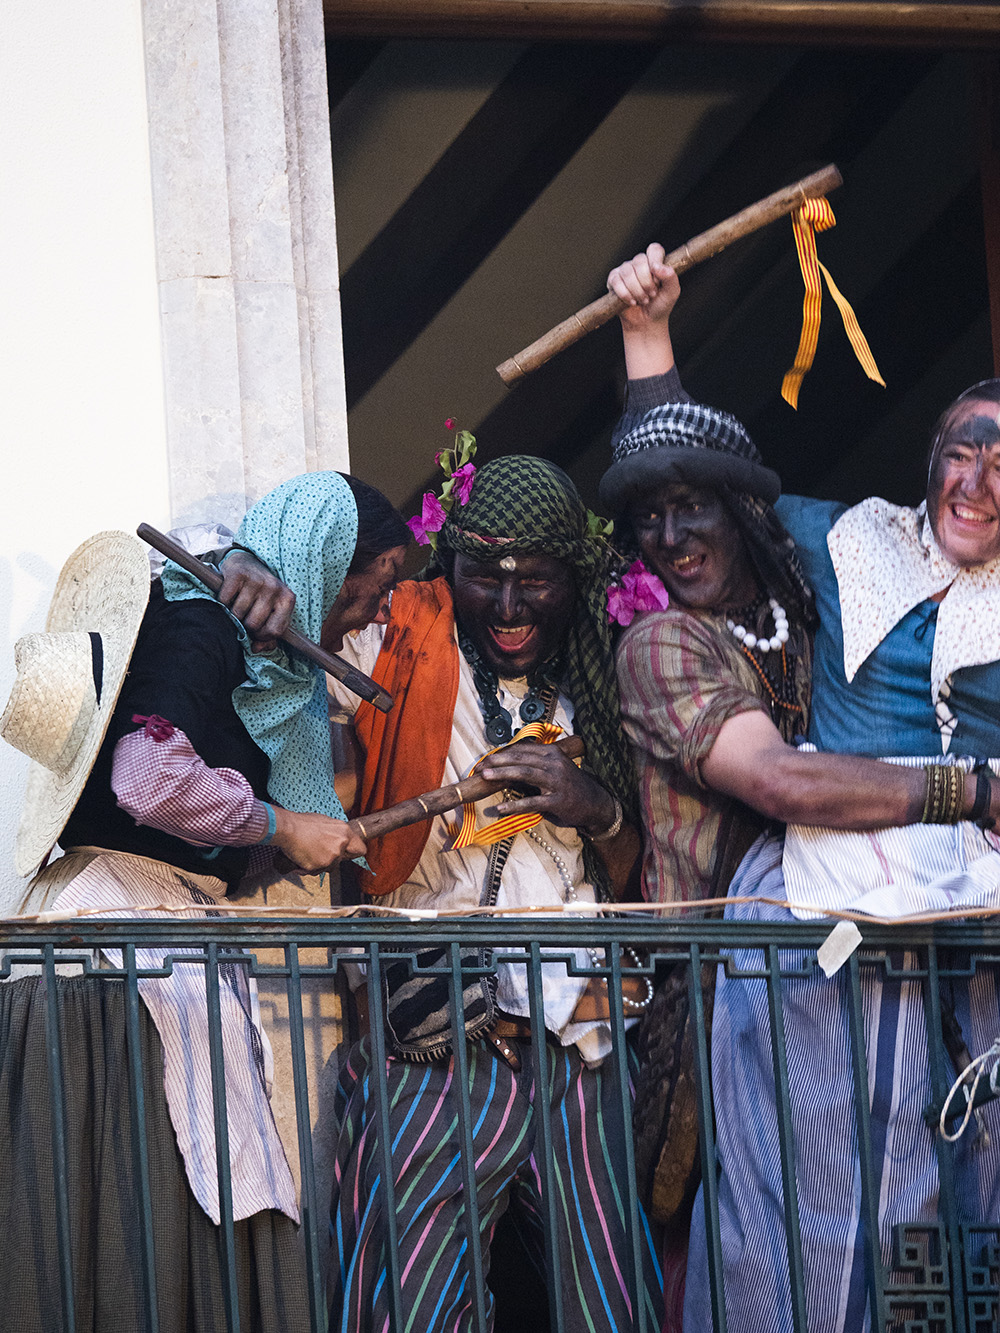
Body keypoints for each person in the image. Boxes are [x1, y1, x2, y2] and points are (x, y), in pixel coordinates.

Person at [601, 247, 1000, 1331]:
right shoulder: (850, 542)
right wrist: (647, 331)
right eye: (959, 455)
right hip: (828, 925)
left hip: (972, 935)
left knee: (957, 1200)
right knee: (821, 1207)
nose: (974, 482)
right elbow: (690, 475)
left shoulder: (792, 592)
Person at [0, 471, 408, 1332]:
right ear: (331, 559)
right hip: (114, 973)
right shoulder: (198, 626)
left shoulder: (247, 658)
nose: (379, 610)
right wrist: (281, 823)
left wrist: (287, 837)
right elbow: (147, 778)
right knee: (132, 1234)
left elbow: (201, 836)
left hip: (130, 946)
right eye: (380, 582)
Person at [324, 454, 664, 1332]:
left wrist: (596, 806)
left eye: (535, 582)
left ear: (573, 578)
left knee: (614, 1306)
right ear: (452, 568)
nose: (509, 608)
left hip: (583, 1045)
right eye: (486, 578)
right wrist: (250, 567)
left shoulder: (603, 676)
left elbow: (638, 872)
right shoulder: (398, 632)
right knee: (408, 1308)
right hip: (434, 1040)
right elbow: (300, 606)